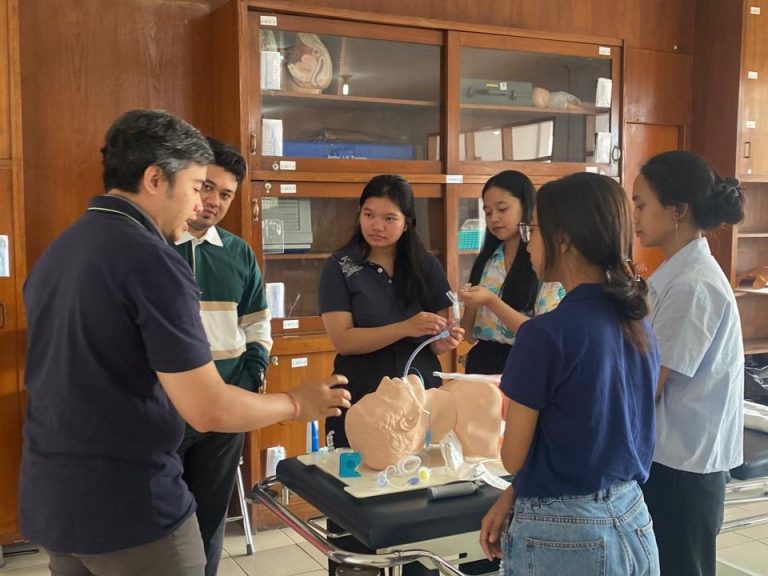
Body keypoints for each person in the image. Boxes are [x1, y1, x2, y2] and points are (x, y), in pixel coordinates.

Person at [20, 109, 350, 576]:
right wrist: (296, 403)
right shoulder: (152, 260)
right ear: (155, 179)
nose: (200, 204)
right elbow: (207, 409)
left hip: (54, 498)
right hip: (130, 508)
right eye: (197, 187)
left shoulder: (63, 248)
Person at [479, 172, 660, 576]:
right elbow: (591, 441)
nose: (528, 244)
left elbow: (513, 456)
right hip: (632, 515)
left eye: (533, 230)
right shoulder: (636, 322)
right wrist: (513, 494)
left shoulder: (544, 334)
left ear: (562, 239)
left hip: (565, 532)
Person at [632, 150, 745, 576]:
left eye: (642, 204)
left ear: (677, 210)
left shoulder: (693, 285)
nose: (635, 216)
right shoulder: (675, 276)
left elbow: (650, 383)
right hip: (669, 455)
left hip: (683, 465)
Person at [173, 137, 271, 576]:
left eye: (226, 194)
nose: (214, 201)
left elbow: (257, 324)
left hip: (227, 405)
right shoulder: (154, 245)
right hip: (167, 409)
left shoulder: (237, 252)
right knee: (164, 517)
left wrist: (251, 379)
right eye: (207, 187)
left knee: (210, 517)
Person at [318, 174, 464, 448]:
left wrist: (443, 342)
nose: (376, 226)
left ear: (406, 222)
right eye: (368, 215)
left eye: (389, 218)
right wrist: (405, 328)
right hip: (362, 389)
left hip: (419, 390)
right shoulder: (341, 266)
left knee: (422, 466)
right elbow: (343, 340)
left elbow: (439, 336)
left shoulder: (425, 265)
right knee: (357, 468)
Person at [459, 170, 565, 375]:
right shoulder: (488, 260)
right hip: (482, 362)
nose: (494, 218)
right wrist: (470, 305)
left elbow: (542, 335)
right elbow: (469, 335)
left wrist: (491, 301)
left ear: (527, 207)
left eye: (502, 209)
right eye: (488, 212)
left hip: (525, 361)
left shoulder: (543, 262)